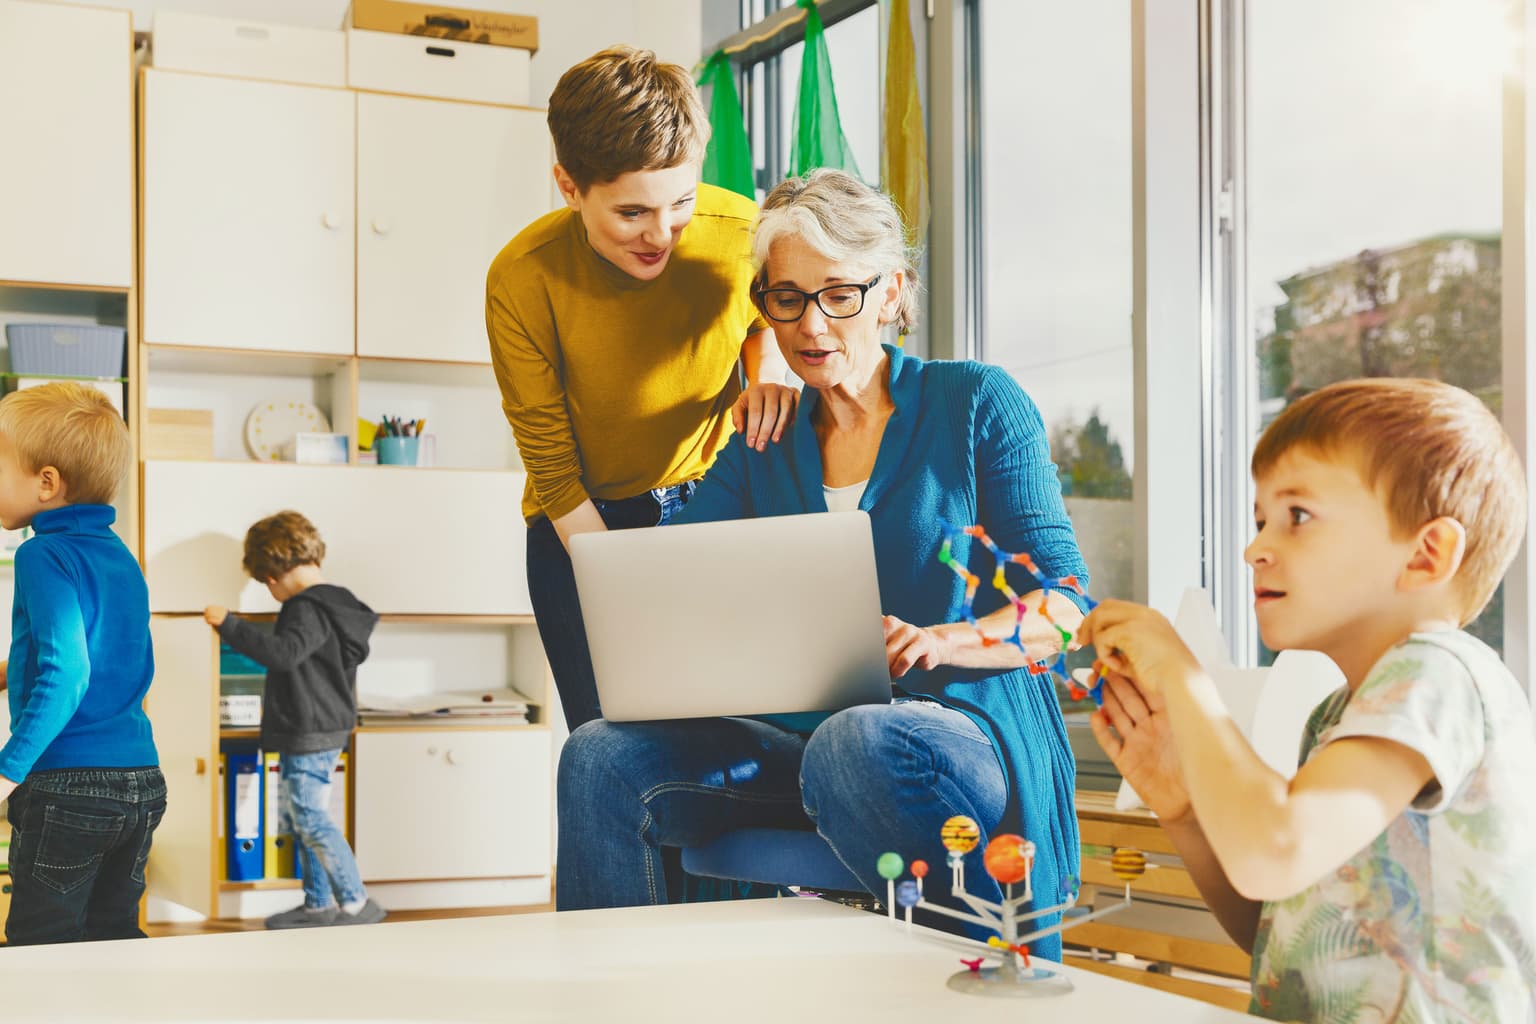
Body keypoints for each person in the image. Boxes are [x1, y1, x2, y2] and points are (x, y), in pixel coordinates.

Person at [555, 170, 1090, 957]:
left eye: (839, 294)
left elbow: (1064, 602)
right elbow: (673, 582)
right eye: (787, 299)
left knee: (856, 741)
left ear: (891, 291)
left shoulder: (973, 402)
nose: (810, 325)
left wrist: (945, 642)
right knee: (599, 754)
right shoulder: (763, 438)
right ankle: (624, 996)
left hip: (952, 734)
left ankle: (948, 975)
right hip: (797, 746)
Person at [1079, 378, 1536, 1021]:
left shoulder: (1441, 673)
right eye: (1261, 518)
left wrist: (1185, 677)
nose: (1255, 548)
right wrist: (1183, 808)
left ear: (1426, 554)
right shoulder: (1336, 715)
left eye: (1297, 517)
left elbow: (1276, 851)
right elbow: (1276, 930)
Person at [486, 45, 797, 732]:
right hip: (581, 523)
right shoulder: (522, 278)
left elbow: (761, 312)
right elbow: (550, 462)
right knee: (613, 752)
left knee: (729, 741)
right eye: (632, 213)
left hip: (710, 504)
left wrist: (767, 365)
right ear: (569, 186)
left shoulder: (742, 231)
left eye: (680, 201)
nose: (662, 234)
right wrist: (624, 581)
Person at [0, 382, 163, 946]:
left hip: (67, 784)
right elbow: (117, 658)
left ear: (46, 483)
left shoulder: (41, 552)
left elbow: (68, 673)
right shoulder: (121, 556)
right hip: (141, 780)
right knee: (111, 934)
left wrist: (8, 769)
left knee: (41, 944)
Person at [204, 511, 384, 929]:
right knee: (307, 820)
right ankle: (318, 904)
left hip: (309, 728)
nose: (270, 590)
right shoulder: (340, 604)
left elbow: (282, 654)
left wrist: (229, 624)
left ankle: (357, 903)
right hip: (327, 725)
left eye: (266, 582)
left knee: (310, 817)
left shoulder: (305, 608)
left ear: (275, 571)